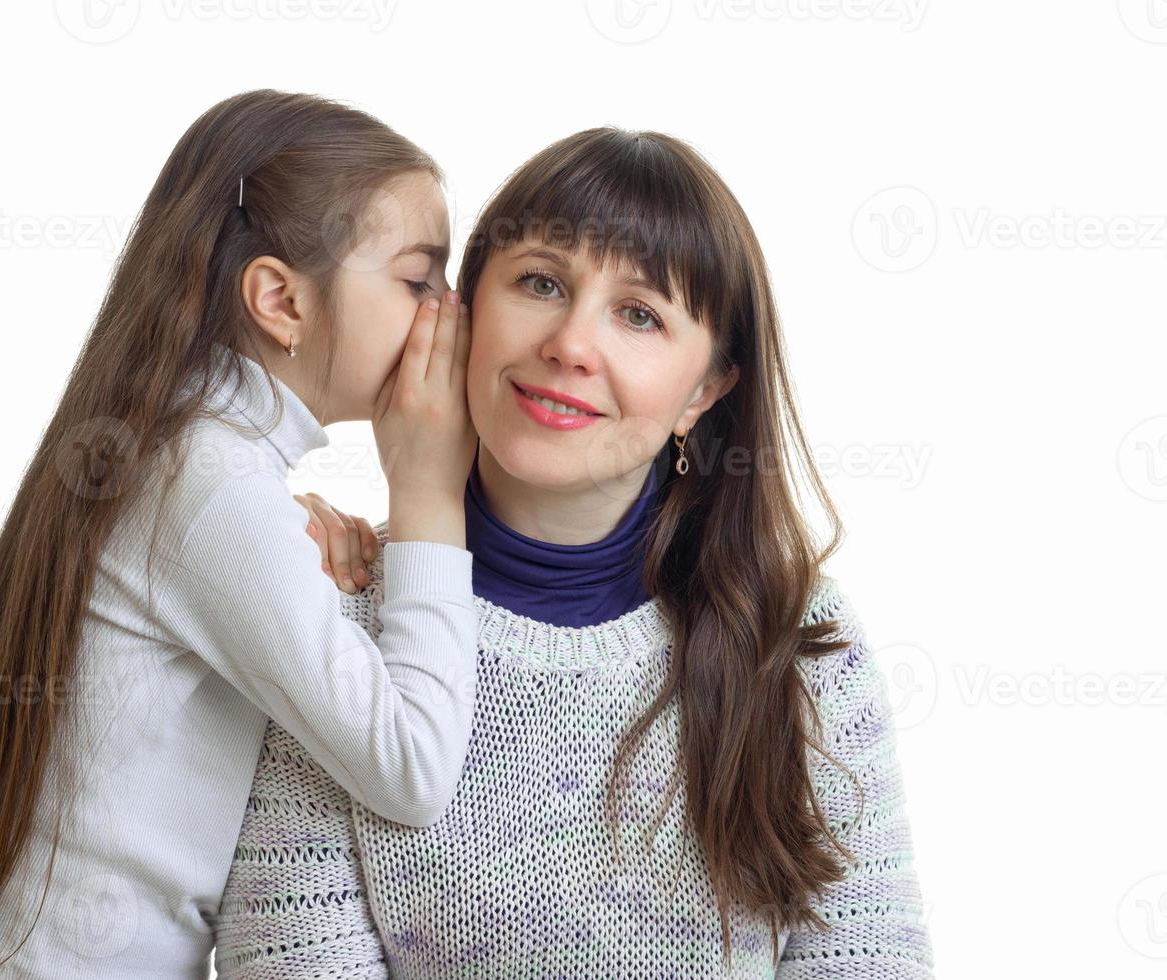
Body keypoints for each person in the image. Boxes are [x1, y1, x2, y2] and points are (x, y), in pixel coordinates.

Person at [214, 127, 936, 978]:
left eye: (639, 314)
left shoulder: (800, 639)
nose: (570, 345)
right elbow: (291, 954)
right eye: (541, 282)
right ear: (461, 308)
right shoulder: (332, 609)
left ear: (703, 391)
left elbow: (866, 956)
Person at [0, 89, 483, 980]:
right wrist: (429, 498)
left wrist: (335, 540)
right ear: (281, 299)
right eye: (418, 280)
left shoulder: (204, 466)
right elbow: (411, 770)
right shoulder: (213, 486)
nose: (448, 312)